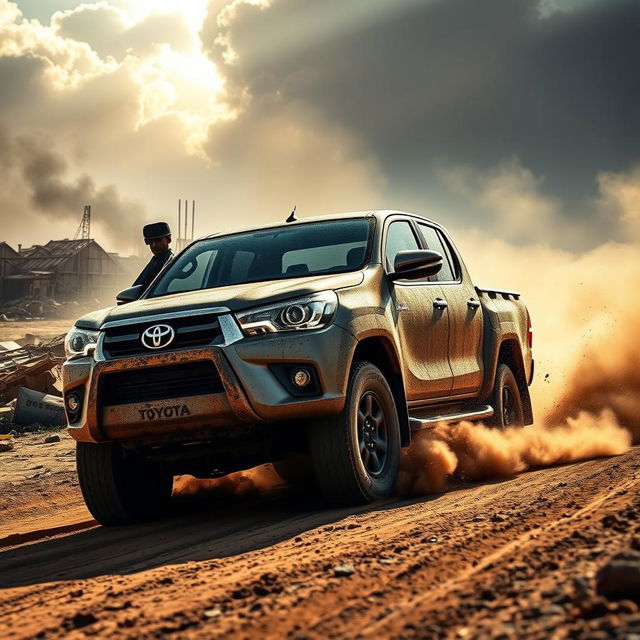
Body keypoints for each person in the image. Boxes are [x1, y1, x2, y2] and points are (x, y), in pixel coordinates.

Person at [133, 222, 174, 290]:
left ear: (168, 240)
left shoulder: (170, 261)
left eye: (158, 241)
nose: (153, 245)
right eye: (150, 242)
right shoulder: (155, 261)